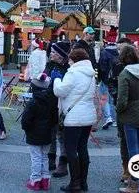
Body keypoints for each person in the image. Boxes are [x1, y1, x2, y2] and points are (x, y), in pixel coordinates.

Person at [52, 48, 97, 192]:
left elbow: (60, 91)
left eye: (70, 60)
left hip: (74, 117)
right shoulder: (91, 74)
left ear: (75, 60)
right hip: (88, 115)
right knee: (82, 148)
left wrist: (57, 80)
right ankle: (83, 182)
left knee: (71, 150)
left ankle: (74, 183)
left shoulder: (72, 72)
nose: (69, 62)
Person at [116, 45, 139, 193]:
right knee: (138, 146)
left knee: (133, 150)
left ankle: (134, 184)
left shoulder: (125, 74)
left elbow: (122, 101)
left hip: (129, 115)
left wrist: (118, 111)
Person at [22, 73, 56, 191]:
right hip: (47, 134)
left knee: (36, 157)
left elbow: (25, 120)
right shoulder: (51, 102)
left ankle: (35, 180)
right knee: (45, 157)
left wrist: (26, 129)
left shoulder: (32, 103)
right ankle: (45, 179)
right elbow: (54, 119)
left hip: (33, 135)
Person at [43, 41, 71, 177]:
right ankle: (51, 158)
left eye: (54, 52)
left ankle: (63, 163)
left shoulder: (67, 70)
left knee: (62, 135)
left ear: (61, 55)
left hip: (62, 105)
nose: (51, 54)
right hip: (49, 104)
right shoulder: (49, 65)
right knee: (50, 133)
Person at [98, 40, 118, 129]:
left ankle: (108, 117)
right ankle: (114, 119)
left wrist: (99, 79)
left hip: (105, 80)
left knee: (104, 99)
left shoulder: (104, 53)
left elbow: (101, 67)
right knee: (113, 100)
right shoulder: (118, 53)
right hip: (115, 81)